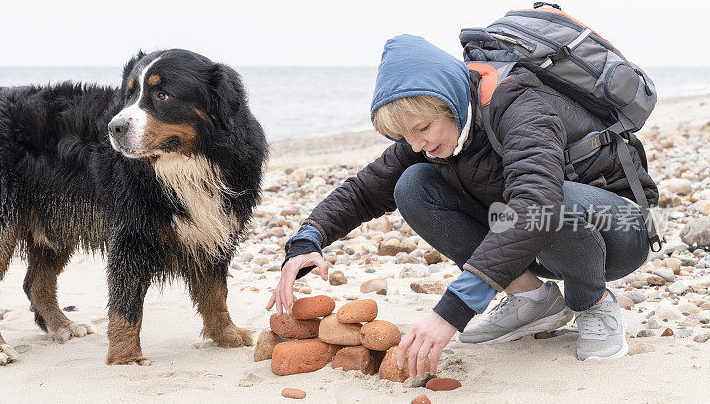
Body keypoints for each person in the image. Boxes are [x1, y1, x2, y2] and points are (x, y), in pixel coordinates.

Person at [266, 34, 657, 377]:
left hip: (618, 229)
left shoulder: (519, 103)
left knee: (546, 200)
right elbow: (364, 191)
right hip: (542, 239)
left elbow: (537, 203)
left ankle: (594, 302)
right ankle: (533, 300)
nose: (417, 143)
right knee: (413, 184)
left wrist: (452, 310)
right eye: (406, 135)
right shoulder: (431, 130)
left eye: (422, 129)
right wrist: (306, 241)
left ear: (451, 103)